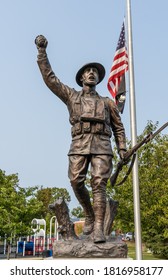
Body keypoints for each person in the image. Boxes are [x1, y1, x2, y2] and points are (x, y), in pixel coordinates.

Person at [35, 35, 127, 243]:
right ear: (82, 78)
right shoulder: (72, 96)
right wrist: (42, 52)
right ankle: (89, 213)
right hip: (79, 143)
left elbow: (118, 128)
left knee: (99, 184)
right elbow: (50, 79)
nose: (92, 73)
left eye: (95, 72)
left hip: (102, 145)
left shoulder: (107, 103)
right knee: (76, 181)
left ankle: (98, 230)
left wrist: (122, 148)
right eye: (88, 71)